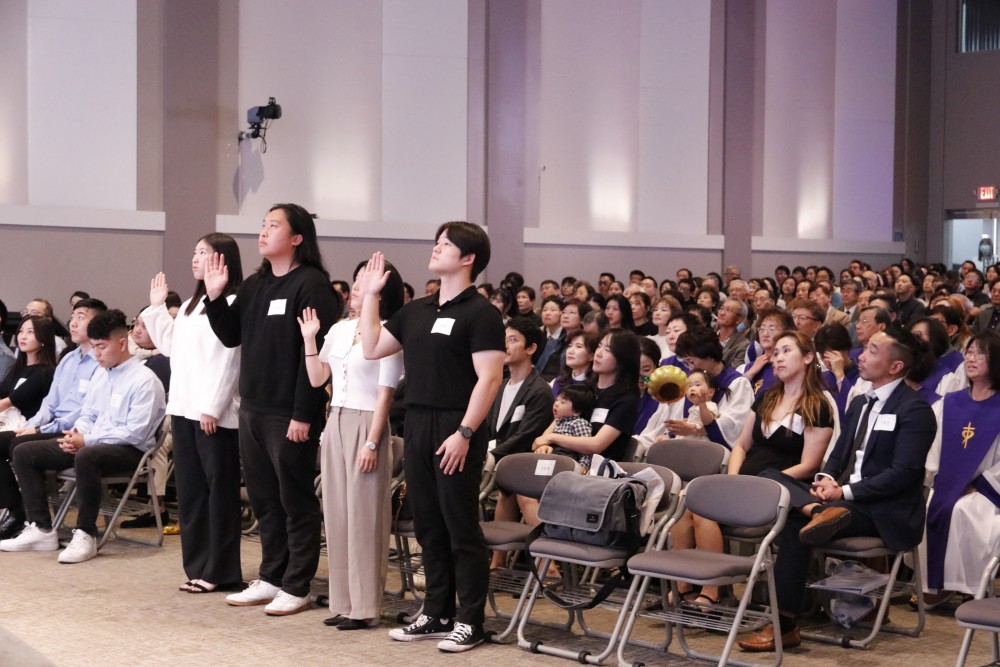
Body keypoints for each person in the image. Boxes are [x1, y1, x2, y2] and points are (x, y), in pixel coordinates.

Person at [739, 329, 936, 653]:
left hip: (883, 510)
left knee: (793, 520)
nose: (861, 356)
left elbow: (902, 475)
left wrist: (842, 492)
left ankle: (784, 626)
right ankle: (817, 511)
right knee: (770, 476)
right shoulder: (860, 403)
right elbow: (837, 456)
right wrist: (825, 479)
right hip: (841, 503)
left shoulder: (915, 411)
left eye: (872, 351)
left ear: (895, 366)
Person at [359, 221, 505, 652]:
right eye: (436, 242)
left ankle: (470, 620)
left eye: (446, 244)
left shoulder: (481, 313)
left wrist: (465, 432)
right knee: (427, 523)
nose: (436, 248)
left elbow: (490, 379)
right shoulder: (416, 310)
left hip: (457, 425)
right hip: (418, 422)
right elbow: (371, 347)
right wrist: (370, 295)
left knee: (460, 525)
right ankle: (437, 612)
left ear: (468, 258)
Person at [204, 203, 339, 616]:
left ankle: (297, 583)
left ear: (297, 238)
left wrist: (304, 413)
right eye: (262, 225)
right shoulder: (255, 285)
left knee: (295, 499)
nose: (263, 232)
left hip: (289, 411)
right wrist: (214, 297)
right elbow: (231, 336)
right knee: (264, 499)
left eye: (273, 226)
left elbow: (314, 355)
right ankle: (271, 576)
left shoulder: (312, 285)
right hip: (253, 407)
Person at [0, 310, 166, 564]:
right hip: (91, 442)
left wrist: (87, 440)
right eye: (94, 347)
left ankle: (86, 534)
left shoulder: (144, 380)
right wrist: (76, 433)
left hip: (130, 450)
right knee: (24, 451)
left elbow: (135, 432)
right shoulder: (101, 374)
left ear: (122, 344)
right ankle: (41, 528)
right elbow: (88, 414)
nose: (96, 354)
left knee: (88, 455)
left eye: (102, 347)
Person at [299, 261, 404, 630]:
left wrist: (373, 442)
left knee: (364, 516)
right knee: (337, 513)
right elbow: (317, 379)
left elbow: (385, 395)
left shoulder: (388, 334)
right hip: (336, 420)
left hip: (368, 423)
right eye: (357, 279)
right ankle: (343, 603)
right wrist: (310, 338)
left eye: (365, 280)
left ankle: (365, 607)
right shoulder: (339, 329)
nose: (357, 286)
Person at [141, 233, 244, 594]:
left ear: (223, 260)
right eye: (195, 252)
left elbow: (230, 361)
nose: (195, 258)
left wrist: (213, 407)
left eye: (203, 252)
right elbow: (172, 347)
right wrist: (157, 309)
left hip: (213, 412)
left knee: (219, 494)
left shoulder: (232, 302)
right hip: (184, 407)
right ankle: (198, 566)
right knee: (191, 492)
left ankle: (222, 570)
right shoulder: (189, 304)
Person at [0, 299, 105, 540]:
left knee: (20, 447)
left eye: (81, 317)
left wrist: (39, 429)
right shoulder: (68, 359)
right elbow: (50, 402)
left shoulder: (100, 362)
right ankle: (17, 510)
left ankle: (37, 523)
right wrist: (32, 426)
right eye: (73, 316)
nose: (73, 322)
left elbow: (84, 411)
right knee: (12, 440)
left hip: (74, 431)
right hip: (49, 425)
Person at [922, 331, 1000, 599]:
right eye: (969, 352)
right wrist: (941, 480)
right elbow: (933, 449)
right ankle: (935, 584)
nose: (971, 358)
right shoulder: (949, 402)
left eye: (981, 353)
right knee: (930, 505)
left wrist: (979, 485)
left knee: (965, 511)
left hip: (987, 490)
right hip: (948, 485)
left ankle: (969, 585)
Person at [728, 331, 834, 479]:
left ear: (807, 357)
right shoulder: (766, 397)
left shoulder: (817, 406)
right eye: (776, 353)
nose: (779, 358)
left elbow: (809, 466)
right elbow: (741, 445)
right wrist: (732, 477)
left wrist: (766, 482)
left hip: (782, 485)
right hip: (745, 479)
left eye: (786, 351)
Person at [531, 330, 640, 462]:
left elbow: (596, 445)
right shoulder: (584, 388)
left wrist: (553, 438)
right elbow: (557, 422)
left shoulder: (627, 399)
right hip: (565, 459)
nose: (598, 353)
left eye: (608, 350)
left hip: (598, 468)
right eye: (599, 346)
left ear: (623, 358)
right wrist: (545, 445)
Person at [488, 318, 554, 462]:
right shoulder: (499, 385)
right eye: (504, 340)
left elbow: (525, 437)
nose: (505, 346)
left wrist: (489, 457)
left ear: (531, 348)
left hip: (515, 464)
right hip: (489, 459)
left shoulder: (540, 391)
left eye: (512, 340)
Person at [0, 316, 57, 429]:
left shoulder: (45, 372)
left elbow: (9, 402)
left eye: (30, 332)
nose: (23, 336)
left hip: (25, 426)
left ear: (43, 338)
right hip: (6, 421)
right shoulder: (17, 367)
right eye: (21, 331)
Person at [550, 330, 599, 398]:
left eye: (579, 346)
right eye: (570, 346)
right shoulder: (558, 382)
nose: (571, 351)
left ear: (592, 356)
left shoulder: (597, 386)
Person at [534, 296, 566, 381]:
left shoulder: (566, 337)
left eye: (553, 310)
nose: (547, 313)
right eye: (545, 310)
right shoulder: (537, 335)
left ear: (561, 313)